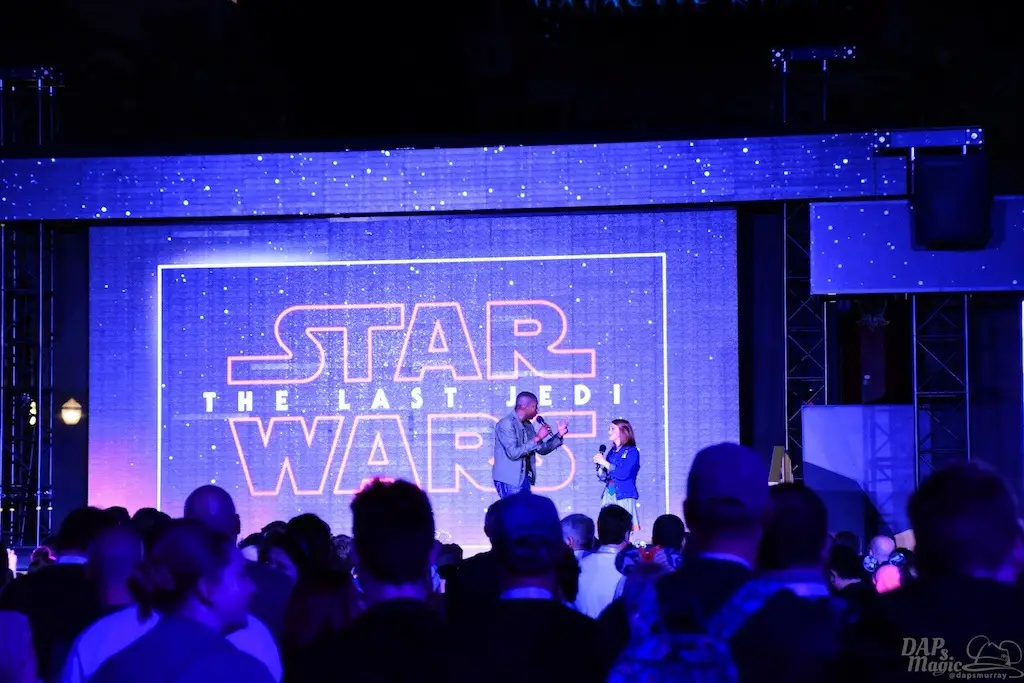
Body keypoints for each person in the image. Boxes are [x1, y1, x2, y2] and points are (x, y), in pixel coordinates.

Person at [88, 519, 274, 683]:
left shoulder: (115, 668)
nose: (252, 587)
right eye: (241, 575)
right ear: (206, 588)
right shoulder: (244, 673)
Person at [492, 391, 568, 498]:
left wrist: (559, 434)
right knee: (515, 509)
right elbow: (513, 453)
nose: (537, 410)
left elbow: (542, 449)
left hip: (524, 478)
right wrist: (538, 437)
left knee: (525, 508)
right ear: (524, 407)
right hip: (509, 479)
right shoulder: (506, 423)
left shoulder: (528, 425)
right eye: (534, 407)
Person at [593, 419, 641, 530]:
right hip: (609, 493)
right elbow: (605, 476)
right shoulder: (612, 452)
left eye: (613, 429)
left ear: (623, 431)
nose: (609, 431)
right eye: (609, 429)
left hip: (624, 494)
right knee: (607, 527)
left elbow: (623, 473)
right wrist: (600, 468)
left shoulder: (632, 452)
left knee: (624, 527)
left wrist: (604, 462)